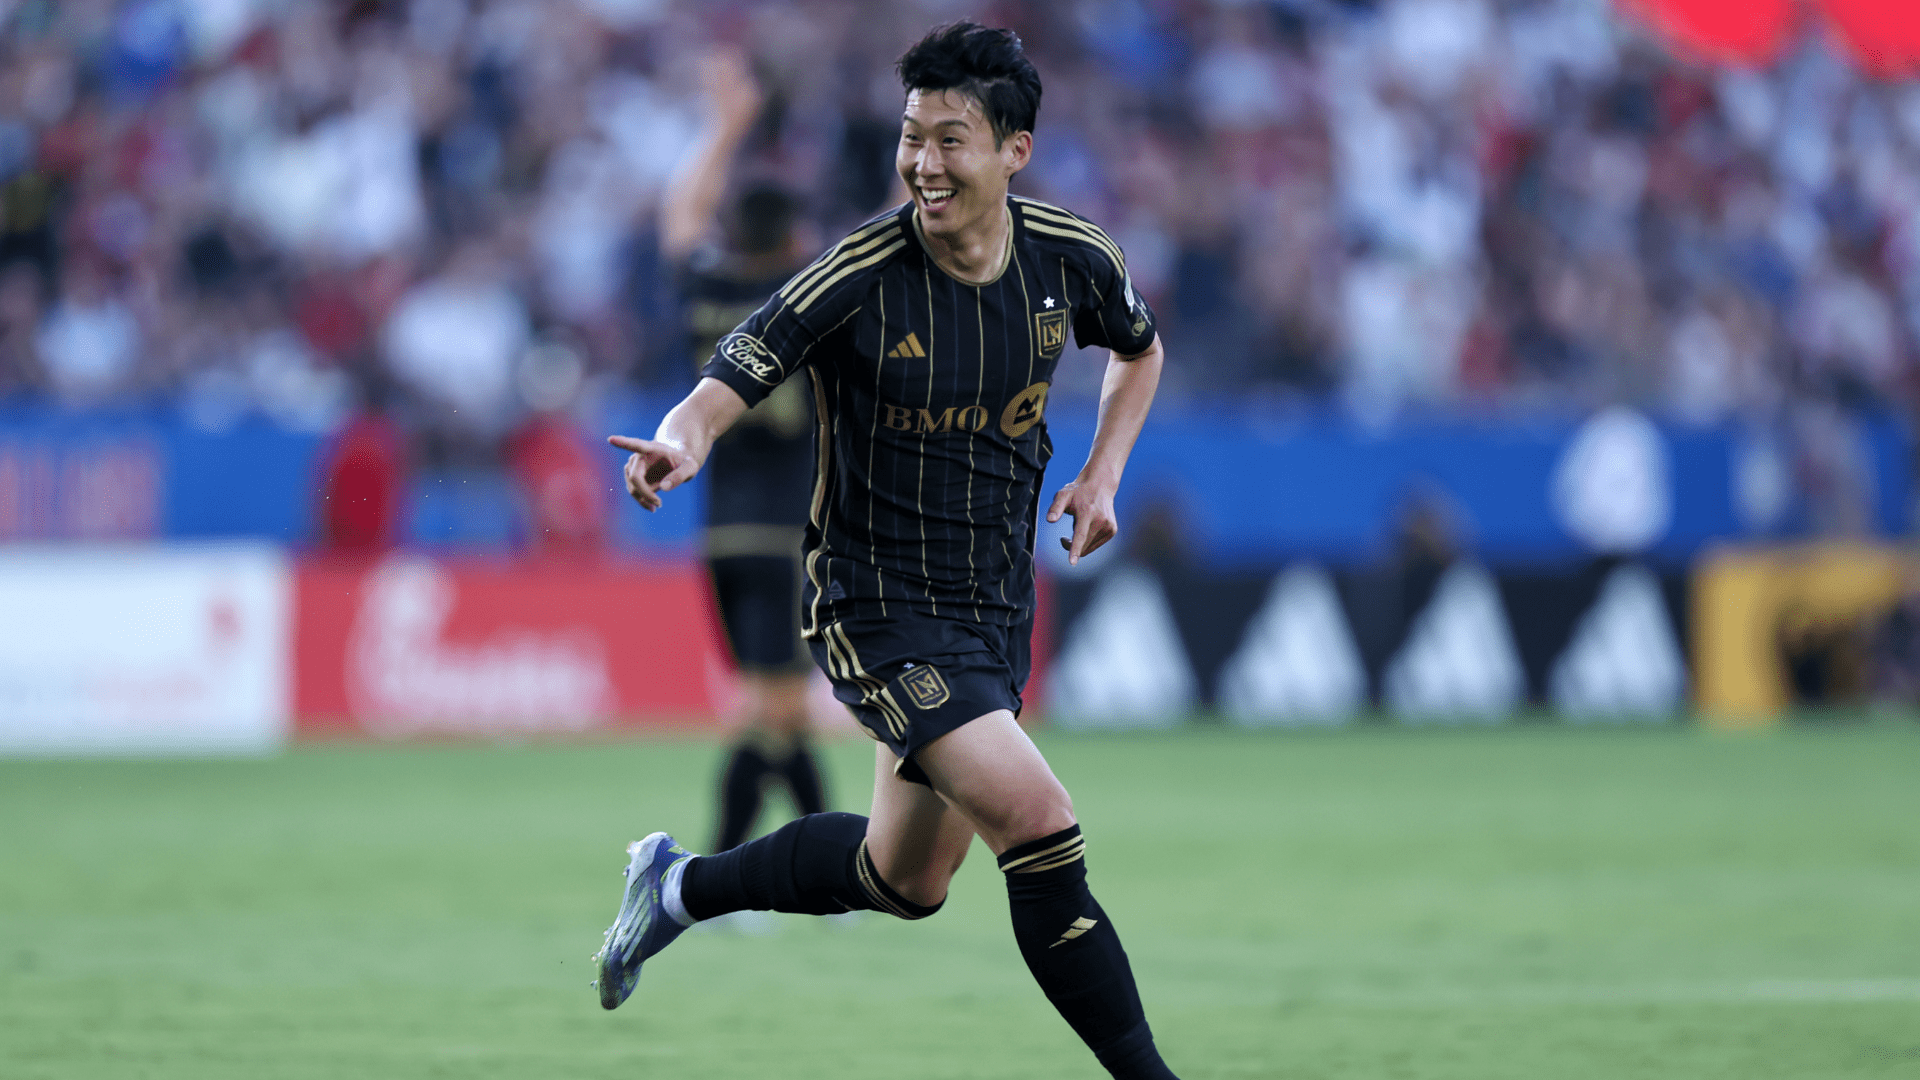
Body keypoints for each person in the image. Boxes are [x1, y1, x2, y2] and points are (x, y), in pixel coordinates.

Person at [597, 22, 1179, 1080]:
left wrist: (1103, 474)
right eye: (913, 137)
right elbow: (733, 368)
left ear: (1015, 150)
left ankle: (676, 887)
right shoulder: (859, 271)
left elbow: (1140, 353)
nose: (923, 162)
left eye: (951, 140)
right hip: (874, 603)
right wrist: (682, 438)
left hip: (991, 605)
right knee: (1039, 822)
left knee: (904, 880)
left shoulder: (1074, 258)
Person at [659, 49, 828, 858]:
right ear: (795, 236)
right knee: (776, 710)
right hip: (793, 532)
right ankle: (710, 876)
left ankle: (834, 872)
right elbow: (896, 222)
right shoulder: (808, 295)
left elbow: (680, 215)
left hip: (723, 533)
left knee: (772, 706)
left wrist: (726, 128)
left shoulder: (710, 288)